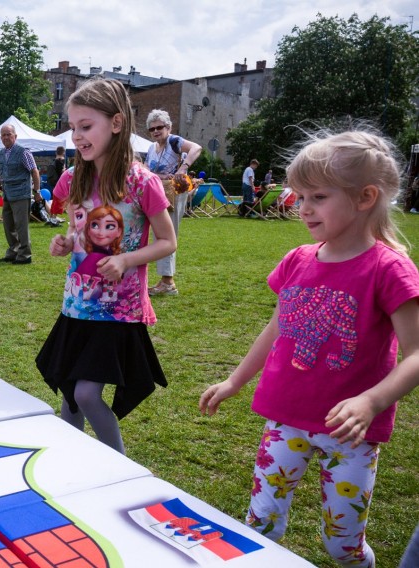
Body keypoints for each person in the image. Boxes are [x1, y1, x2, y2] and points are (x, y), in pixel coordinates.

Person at [199, 129, 419, 567]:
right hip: (285, 420)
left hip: (349, 434)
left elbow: (415, 354)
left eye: (317, 197)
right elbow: (277, 328)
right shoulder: (298, 259)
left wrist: (371, 402)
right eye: (299, 197)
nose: (302, 208)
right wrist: (234, 380)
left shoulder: (389, 269)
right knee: (259, 526)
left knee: (343, 545)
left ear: (365, 197)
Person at [35, 78, 177, 453]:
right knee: (69, 394)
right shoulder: (73, 178)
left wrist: (127, 259)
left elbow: (168, 241)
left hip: (116, 311)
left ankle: (120, 467)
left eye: (86, 127)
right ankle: (70, 469)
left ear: (116, 123)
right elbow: (76, 227)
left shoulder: (142, 181)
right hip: (77, 305)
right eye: (73, 128)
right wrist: (66, 242)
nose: (77, 136)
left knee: (85, 393)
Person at [144, 109, 202, 296]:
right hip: (158, 193)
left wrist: (184, 167)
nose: (155, 131)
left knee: (167, 235)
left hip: (174, 192)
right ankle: (165, 280)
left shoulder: (174, 141)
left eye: (159, 127)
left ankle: (168, 282)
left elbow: (197, 148)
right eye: (152, 129)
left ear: (168, 127)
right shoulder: (152, 148)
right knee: (160, 235)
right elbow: (146, 170)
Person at [0, 124, 40, 264]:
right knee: (8, 226)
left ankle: (25, 255)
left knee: (21, 225)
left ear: (15, 136)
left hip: (21, 194)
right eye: (3, 135)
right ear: (0, 137)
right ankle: (13, 251)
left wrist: (36, 191)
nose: (6, 137)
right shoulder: (0, 154)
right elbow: (1, 175)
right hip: (7, 193)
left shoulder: (23, 152)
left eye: (9, 134)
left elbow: (34, 171)